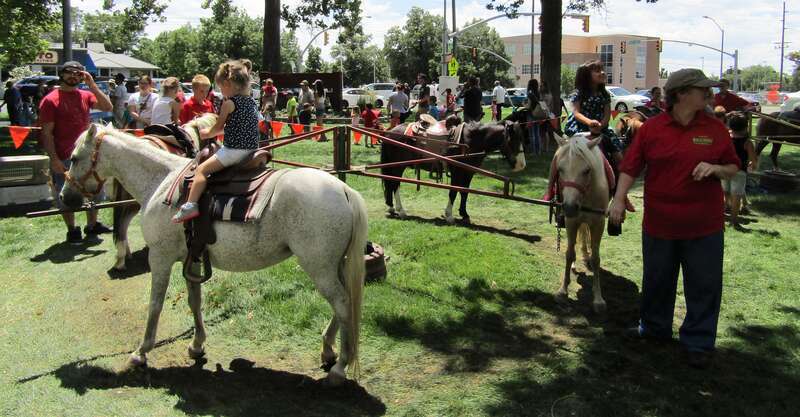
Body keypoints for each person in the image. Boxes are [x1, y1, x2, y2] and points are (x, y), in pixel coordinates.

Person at [609, 68, 740, 369]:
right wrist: (618, 198)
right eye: (702, 89)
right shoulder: (653, 129)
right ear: (681, 94)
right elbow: (631, 166)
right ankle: (654, 329)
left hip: (704, 226)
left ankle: (698, 341)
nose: (708, 95)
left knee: (704, 284)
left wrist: (715, 168)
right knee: (657, 280)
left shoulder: (715, 129)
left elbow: (733, 166)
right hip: (660, 223)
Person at [173, 59, 260, 223]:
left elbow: (218, 128)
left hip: (234, 150)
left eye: (221, 87)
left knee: (201, 170)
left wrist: (206, 134)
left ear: (228, 84)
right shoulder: (251, 102)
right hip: (252, 149)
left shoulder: (229, 103)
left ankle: (191, 205)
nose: (221, 91)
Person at [38, 61, 114, 243]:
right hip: (64, 156)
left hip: (87, 155)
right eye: (70, 72)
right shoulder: (50, 100)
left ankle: (92, 225)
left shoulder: (86, 95)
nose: (74, 76)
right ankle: (72, 230)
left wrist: (92, 85)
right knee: (65, 194)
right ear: (62, 74)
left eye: (79, 74)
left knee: (95, 189)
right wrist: (54, 158)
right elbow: (46, 133)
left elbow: (108, 107)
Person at [563, 61, 624, 165]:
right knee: (563, 155)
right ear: (586, 75)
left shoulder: (604, 94)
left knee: (619, 157)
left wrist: (601, 125)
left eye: (602, 70)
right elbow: (576, 113)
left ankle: (619, 177)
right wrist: (590, 122)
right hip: (580, 127)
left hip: (601, 129)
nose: (602, 72)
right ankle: (555, 179)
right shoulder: (578, 94)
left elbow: (607, 114)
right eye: (597, 71)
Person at [723, 111, 757, 228]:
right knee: (736, 196)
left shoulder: (726, 136)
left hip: (725, 169)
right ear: (746, 126)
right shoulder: (748, 142)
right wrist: (753, 165)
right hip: (739, 171)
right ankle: (734, 220)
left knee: (725, 192)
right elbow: (753, 160)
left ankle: (723, 213)